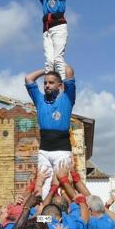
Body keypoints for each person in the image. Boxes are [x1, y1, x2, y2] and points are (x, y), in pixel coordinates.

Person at [25, 64, 75, 198]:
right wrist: (45, 70)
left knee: (63, 183)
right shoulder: (39, 99)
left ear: (60, 85)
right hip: (44, 151)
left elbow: (69, 72)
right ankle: (45, 214)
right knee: (44, 184)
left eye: (51, 83)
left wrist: (58, 62)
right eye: (45, 83)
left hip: (62, 150)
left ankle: (64, 215)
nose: (47, 85)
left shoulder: (67, 98)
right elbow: (29, 78)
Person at [33, 0, 68, 81]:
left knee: (58, 58)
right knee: (49, 60)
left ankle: (62, 83)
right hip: (47, 29)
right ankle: (48, 83)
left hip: (58, 27)